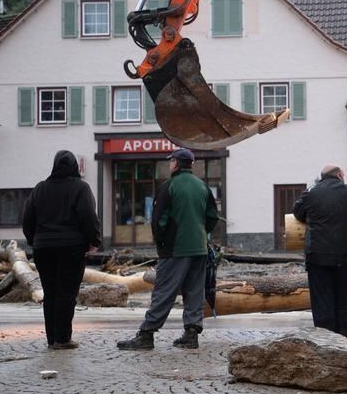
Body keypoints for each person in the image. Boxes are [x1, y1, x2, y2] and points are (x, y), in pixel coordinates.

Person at [118, 148, 218, 351]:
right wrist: (199, 234)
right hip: (199, 248)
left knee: (164, 291)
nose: (170, 164)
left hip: (175, 248)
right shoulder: (202, 186)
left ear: (177, 164)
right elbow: (212, 217)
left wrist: (162, 243)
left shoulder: (169, 186)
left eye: (171, 161)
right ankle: (191, 334)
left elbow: (158, 221)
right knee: (194, 291)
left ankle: (146, 334)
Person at [22, 151, 101, 350]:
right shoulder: (81, 188)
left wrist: (35, 240)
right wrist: (94, 241)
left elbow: (27, 219)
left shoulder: (40, 188)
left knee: (51, 293)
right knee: (67, 293)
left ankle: (52, 339)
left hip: (43, 249)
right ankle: (63, 338)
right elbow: (88, 217)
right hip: (72, 248)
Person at [293, 165, 347, 337]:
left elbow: (298, 212)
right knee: (343, 298)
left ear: (322, 176)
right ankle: (344, 338)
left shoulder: (312, 191)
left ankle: (326, 339)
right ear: (340, 175)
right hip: (345, 255)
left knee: (321, 300)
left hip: (317, 256)